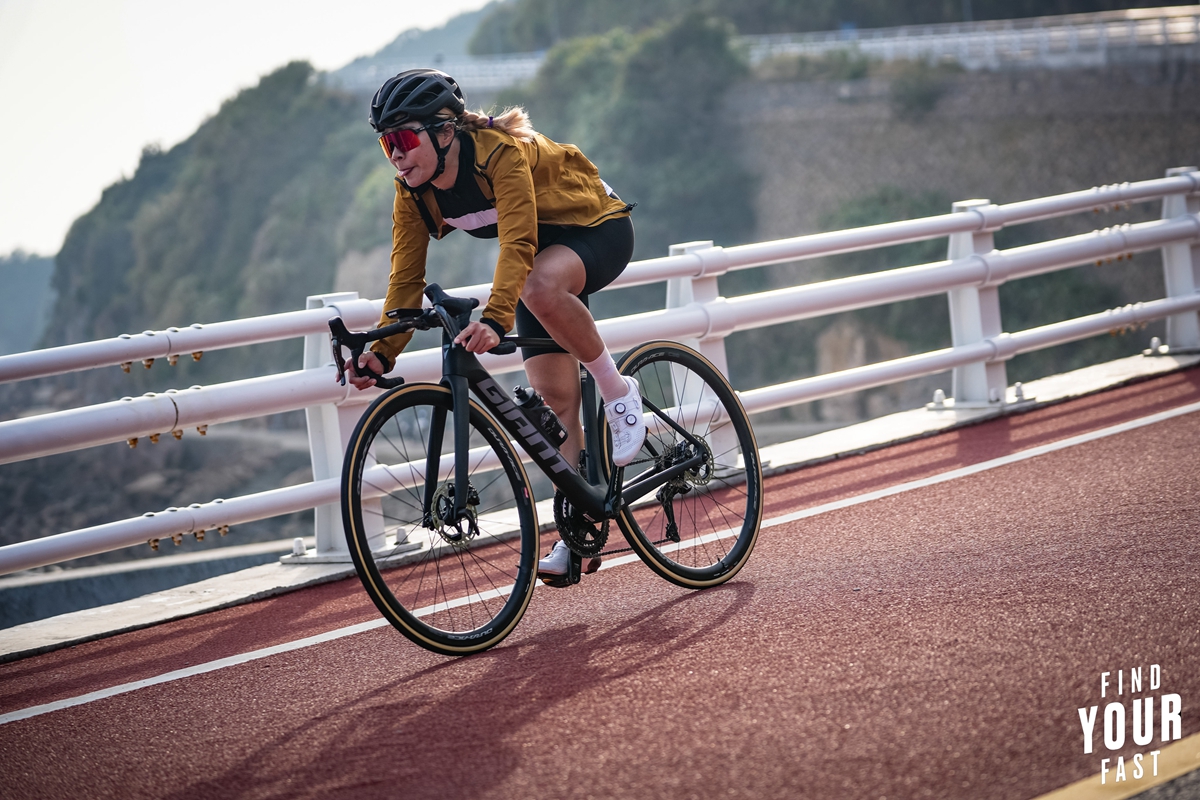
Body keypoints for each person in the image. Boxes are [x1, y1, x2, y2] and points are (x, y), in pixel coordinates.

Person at [345, 68, 645, 582]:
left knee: (539, 286)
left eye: (402, 138)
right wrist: (382, 352)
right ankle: (582, 531)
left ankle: (618, 390)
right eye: (384, 143)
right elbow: (404, 280)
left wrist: (495, 318)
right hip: (538, 265)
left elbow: (519, 244)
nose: (394, 153)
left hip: (597, 227)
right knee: (555, 404)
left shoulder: (495, 153)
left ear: (444, 131)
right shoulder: (413, 192)